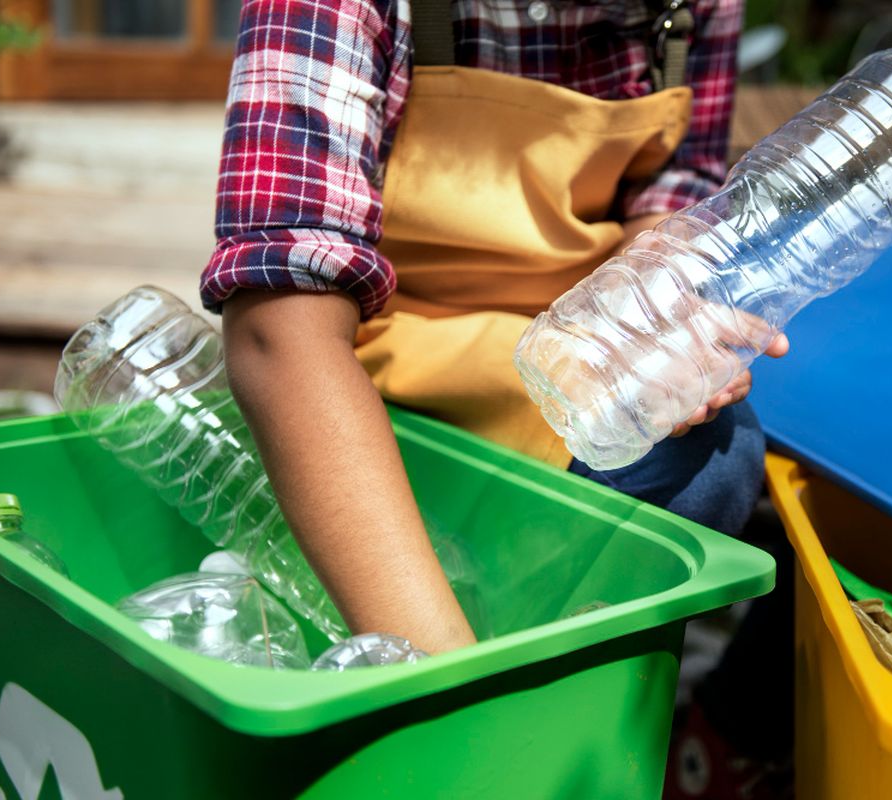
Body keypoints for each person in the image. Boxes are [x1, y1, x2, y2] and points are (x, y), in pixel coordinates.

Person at [202, 1, 791, 786]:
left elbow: (676, 184)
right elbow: (280, 332)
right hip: (375, 363)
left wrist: (662, 294)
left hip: (561, 348)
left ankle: (575, 724)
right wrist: (455, 697)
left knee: (717, 456)